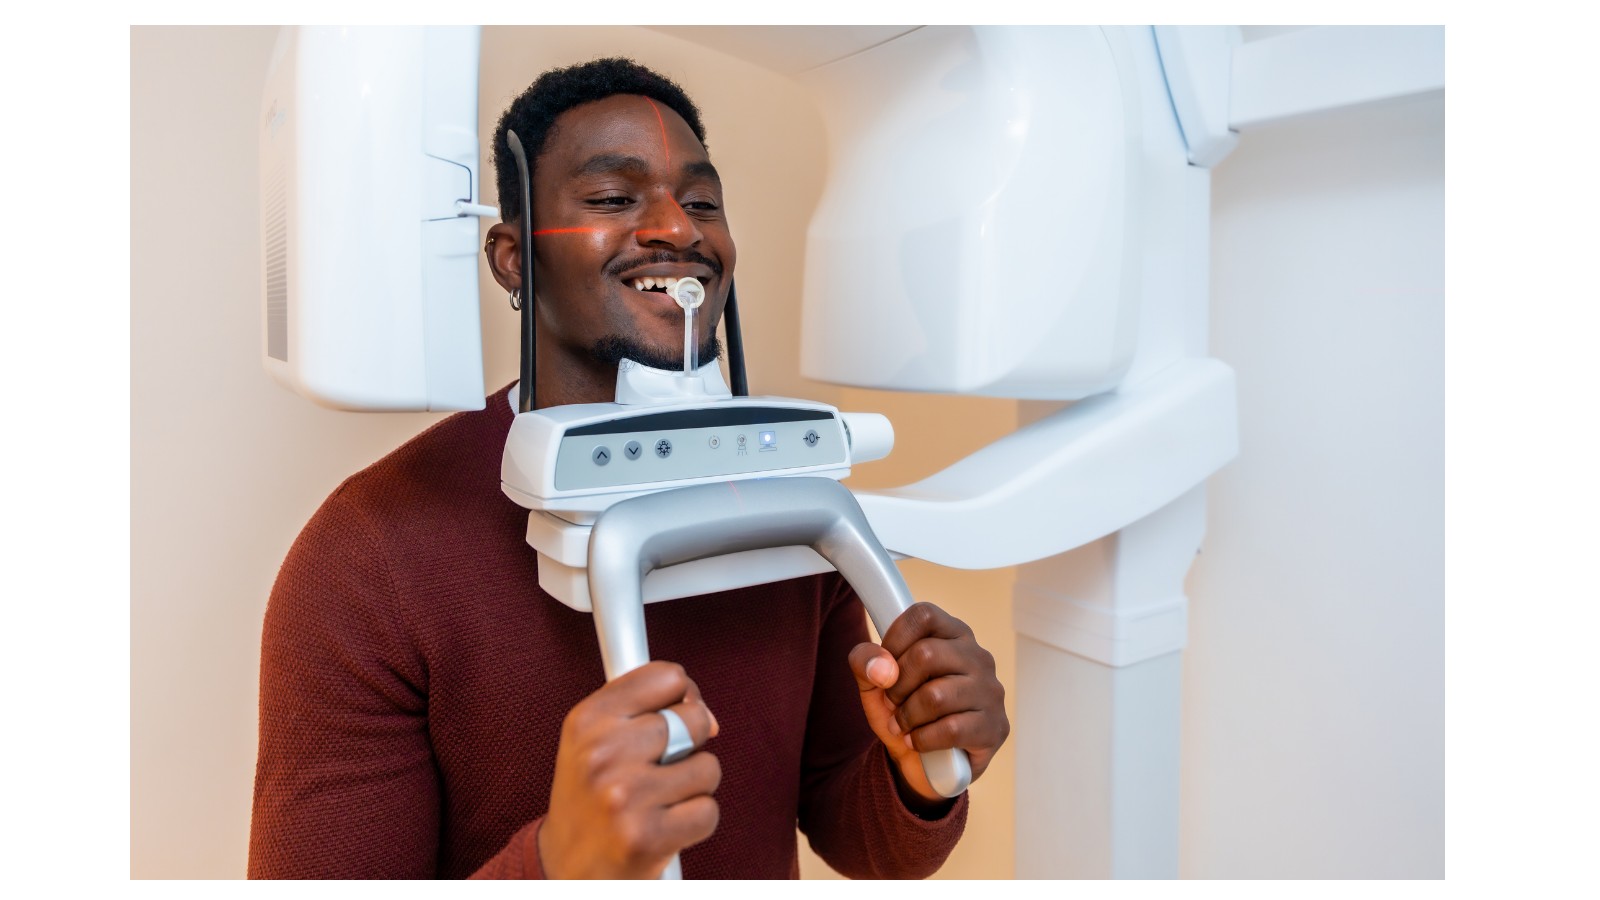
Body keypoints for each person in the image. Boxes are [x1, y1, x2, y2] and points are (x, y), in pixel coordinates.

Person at [248, 57, 1010, 880]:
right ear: (512, 258)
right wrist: (558, 863)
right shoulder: (368, 558)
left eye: (703, 203)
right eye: (614, 199)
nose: (678, 230)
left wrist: (919, 769)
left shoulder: (793, 503)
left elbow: (855, 831)